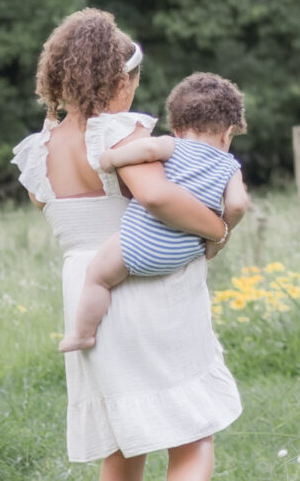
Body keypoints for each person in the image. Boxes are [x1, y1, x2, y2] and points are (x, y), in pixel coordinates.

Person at [12, 9, 243, 481]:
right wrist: (216, 230)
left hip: (85, 286)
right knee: (191, 427)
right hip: (148, 281)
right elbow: (158, 197)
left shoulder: (39, 150)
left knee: (120, 448)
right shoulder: (121, 132)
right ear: (115, 81)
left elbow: (62, 216)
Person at [59, 73, 249, 355]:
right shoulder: (230, 166)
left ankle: (83, 334)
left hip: (139, 244)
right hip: (184, 252)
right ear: (228, 132)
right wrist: (222, 232)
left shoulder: (173, 145)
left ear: (178, 128)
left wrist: (111, 159)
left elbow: (147, 149)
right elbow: (237, 205)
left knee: (97, 276)